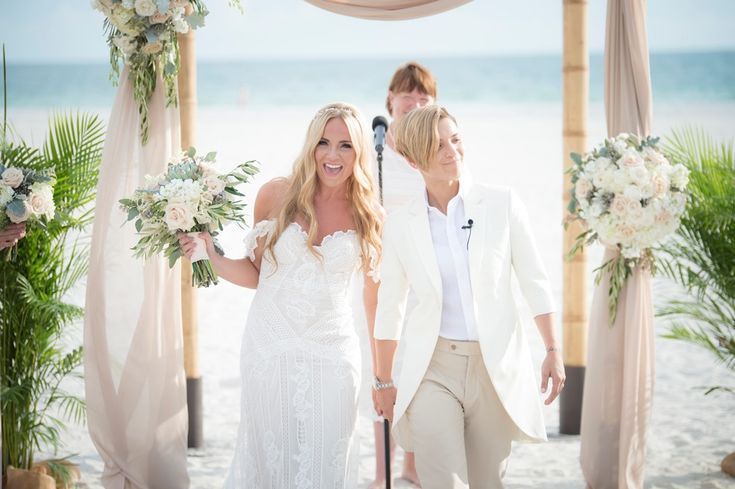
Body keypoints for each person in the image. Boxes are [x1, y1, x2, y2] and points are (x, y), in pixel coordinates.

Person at [178, 102, 382, 488]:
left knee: (327, 464)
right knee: (270, 464)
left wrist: (382, 376)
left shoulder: (368, 213)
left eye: (345, 145)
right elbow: (257, 274)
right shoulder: (275, 195)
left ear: (359, 152)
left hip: (334, 354)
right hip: (270, 348)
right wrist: (210, 253)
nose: (332, 155)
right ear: (311, 146)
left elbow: (375, 301)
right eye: (324, 142)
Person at [372, 105, 565, 488]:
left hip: (493, 368)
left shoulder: (502, 203)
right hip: (432, 368)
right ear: (412, 160)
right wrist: (383, 380)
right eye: (438, 145)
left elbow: (534, 281)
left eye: (455, 140)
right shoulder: (401, 224)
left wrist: (552, 349)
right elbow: (389, 307)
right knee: (444, 480)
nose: (451, 151)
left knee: (487, 481)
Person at [366, 61, 436, 488]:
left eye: (424, 97)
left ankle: (412, 467)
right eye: (407, 95)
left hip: (423, 279)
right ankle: (382, 474)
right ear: (390, 99)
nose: (415, 103)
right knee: (382, 372)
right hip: (379, 279)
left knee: (419, 372)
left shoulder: (434, 151)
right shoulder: (372, 151)